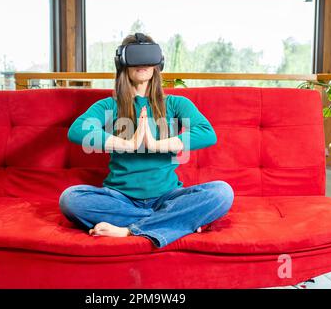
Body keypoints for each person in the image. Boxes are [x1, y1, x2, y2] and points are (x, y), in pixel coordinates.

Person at [59, 33, 234, 248]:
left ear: (157, 62)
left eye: (147, 56)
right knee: (70, 199)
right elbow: (77, 130)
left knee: (222, 193)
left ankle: (129, 231)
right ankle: (174, 221)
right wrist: (128, 144)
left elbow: (207, 132)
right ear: (122, 62)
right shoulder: (109, 106)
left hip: (168, 197)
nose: (142, 63)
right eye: (135, 56)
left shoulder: (175, 104)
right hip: (120, 198)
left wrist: (157, 145)